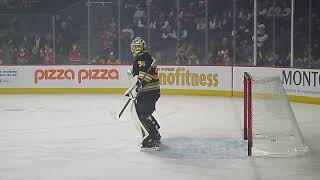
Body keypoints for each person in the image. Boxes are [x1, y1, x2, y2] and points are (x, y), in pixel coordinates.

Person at [128, 37, 161, 149]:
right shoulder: (145, 56)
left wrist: (138, 86)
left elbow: (145, 76)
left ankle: (153, 136)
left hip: (149, 92)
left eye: (134, 46)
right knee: (143, 113)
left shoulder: (141, 57)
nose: (133, 49)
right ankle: (155, 130)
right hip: (150, 92)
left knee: (143, 114)